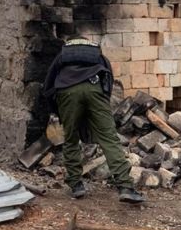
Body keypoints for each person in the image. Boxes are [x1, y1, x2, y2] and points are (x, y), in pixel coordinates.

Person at [42, 37, 144, 203]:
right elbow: (108, 78)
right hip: (95, 89)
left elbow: (48, 84)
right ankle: (125, 187)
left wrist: (55, 109)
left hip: (67, 92)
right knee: (109, 138)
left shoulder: (62, 55)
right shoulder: (97, 54)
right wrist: (103, 100)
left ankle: (76, 185)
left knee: (71, 138)